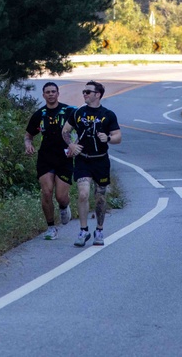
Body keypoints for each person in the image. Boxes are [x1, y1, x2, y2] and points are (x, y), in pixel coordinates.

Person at [64, 80, 121, 247]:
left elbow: (118, 136)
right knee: (82, 194)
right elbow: (65, 131)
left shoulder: (108, 114)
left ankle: (99, 230)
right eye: (84, 91)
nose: (84, 94)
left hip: (101, 160)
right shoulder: (78, 113)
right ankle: (83, 230)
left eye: (88, 92)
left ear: (98, 94)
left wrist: (108, 138)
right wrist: (71, 145)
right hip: (83, 159)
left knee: (100, 197)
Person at [22, 82, 75, 240]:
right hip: (45, 157)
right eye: (48, 92)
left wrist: (75, 146)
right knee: (46, 192)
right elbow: (28, 135)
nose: (51, 94)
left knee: (60, 196)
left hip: (64, 157)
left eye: (53, 91)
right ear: (43, 95)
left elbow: (82, 130)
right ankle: (51, 227)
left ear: (58, 93)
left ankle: (64, 206)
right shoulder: (40, 114)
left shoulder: (69, 111)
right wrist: (28, 144)